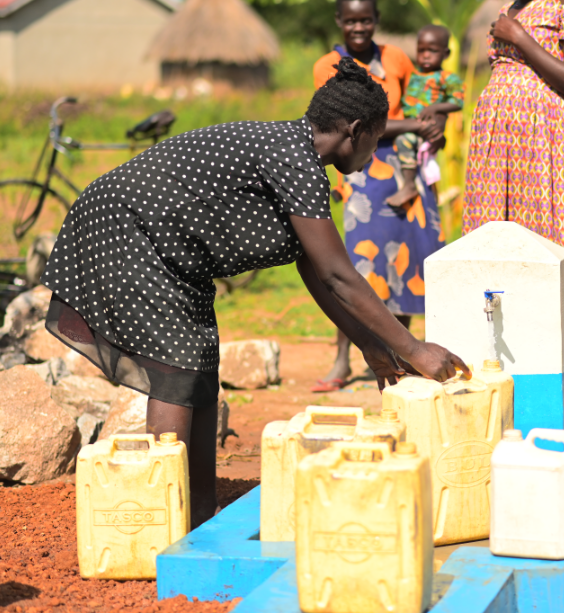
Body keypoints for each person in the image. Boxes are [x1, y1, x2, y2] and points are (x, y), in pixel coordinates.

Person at [41, 57, 469, 528]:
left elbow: (316, 272)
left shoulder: (297, 156)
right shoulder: (296, 158)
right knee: (178, 368)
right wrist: (413, 348)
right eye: (375, 139)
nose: (373, 154)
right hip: (130, 228)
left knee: (200, 361)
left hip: (171, 252)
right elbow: (339, 276)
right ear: (355, 128)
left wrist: (373, 345)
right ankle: (161, 518)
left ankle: (199, 514)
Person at [312, 0, 449, 392]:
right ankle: (343, 358)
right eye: (351, 20)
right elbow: (339, 124)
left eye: (366, 19)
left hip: (402, 168)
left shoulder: (397, 59)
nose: (359, 27)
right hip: (359, 168)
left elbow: (417, 103)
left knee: (401, 263)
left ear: (376, 21)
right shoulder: (328, 66)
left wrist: (433, 122)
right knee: (356, 266)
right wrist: (416, 125)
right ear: (339, 21)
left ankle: (399, 353)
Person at [462, 0, 564, 332]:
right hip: (499, 142)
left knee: (545, 237)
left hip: (545, 139)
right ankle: (500, 344)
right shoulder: (508, 5)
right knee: (496, 237)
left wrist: (519, 37)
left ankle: (546, 348)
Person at [385, 24, 464, 208]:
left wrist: (436, 108)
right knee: (404, 140)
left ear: (446, 54)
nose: (426, 55)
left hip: (429, 130)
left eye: (432, 51)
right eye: (421, 50)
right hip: (411, 126)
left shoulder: (447, 78)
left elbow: (457, 102)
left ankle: (413, 187)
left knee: (414, 149)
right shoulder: (414, 75)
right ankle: (410, 184)